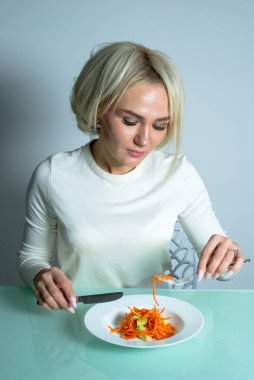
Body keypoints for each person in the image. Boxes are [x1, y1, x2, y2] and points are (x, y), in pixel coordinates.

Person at [18, 41, 244, 313]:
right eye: (130, 121)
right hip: (78, 319)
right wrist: (40, 276)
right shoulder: (54, 175)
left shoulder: (179, 174)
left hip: (155, 324)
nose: (145, 140)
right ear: (99, 108)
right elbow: (32, 257)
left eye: (161, 125)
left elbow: (223, 268)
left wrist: (229, 259)